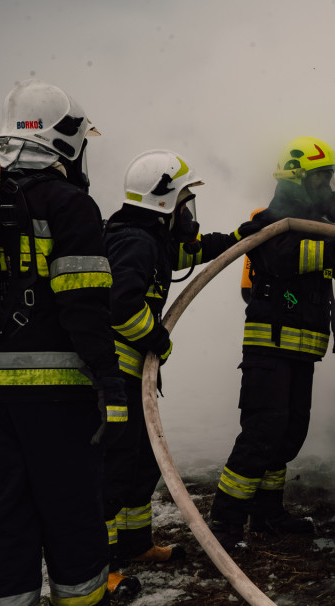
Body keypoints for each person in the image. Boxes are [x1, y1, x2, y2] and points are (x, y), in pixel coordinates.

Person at [0, 80, 133, 606]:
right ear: (62, 137)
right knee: (70, 511)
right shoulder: (69, 205)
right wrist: (108, 379)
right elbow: (85, 305)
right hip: (55, 391)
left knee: (3, 514)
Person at [207, 136, 335, 550]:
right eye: (321, 177)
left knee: (289, 434)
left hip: (302, 350)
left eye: (329, 177)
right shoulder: (272, 223)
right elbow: (285, 259)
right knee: (261, 435)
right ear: (297, 179)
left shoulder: (324, 230)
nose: (329, 185)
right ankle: (224, 527)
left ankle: (267, 517)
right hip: (270, 348)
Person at [102, 150, 260, 576]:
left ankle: (133, 544)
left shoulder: (146, 239)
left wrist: (241, 236)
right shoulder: (135, 243)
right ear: (164, 201)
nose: (189, 212)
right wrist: (158, 339)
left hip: (130, 376)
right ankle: (100, 568)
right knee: (112, 472)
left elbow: (188, 255)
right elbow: (120, 307)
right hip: (112, 377)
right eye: (185, 202)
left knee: (141, 461)